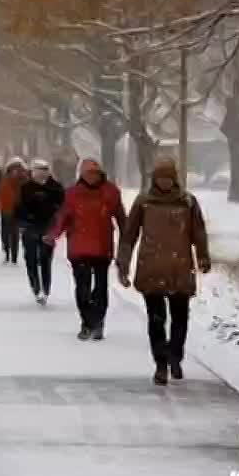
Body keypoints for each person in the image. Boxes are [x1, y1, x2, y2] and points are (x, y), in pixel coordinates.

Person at [118, 156, 212, 386]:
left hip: (179, 266)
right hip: (152, 267)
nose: (165, 183)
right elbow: (129, 235)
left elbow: (198, 232)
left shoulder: (187, 202)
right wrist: (123, 263)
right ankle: (161, 363)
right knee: (156, 319)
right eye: (161, 178)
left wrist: (202, 255)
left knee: (180, 317)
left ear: (175, 179)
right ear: (154, 179)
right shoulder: (144, 202)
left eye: (168, 178)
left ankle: (175, 355)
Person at [45, 158, 126, 341]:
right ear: (81, 175)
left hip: (102, 247)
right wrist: (53, 235)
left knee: (100, 288)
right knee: (82, 288)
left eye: (95, 174)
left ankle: (98, 321)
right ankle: (87, 322)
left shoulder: (110, 192)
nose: (92, 177)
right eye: (88, 174)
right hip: (79, 248)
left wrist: (126, 239)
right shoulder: (73, 194)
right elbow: (63, 217)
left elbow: (121, 217)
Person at [14, 159, 65, 304]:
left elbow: (62, 208)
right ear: (33, 172)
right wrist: (22, 222)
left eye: (44, 171)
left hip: (48, 228)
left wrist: (56, 221)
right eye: (38, 171)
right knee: (30, 258)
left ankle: (46, 289)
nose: (41, 175)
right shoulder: (25, 188)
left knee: (45, 259)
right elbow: (18, 208)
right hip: (30, 227)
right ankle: (36, 288)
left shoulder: (55, 188)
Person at [0, 158, 27, 264]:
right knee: (7, 234)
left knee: (14, 234)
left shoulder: (23, 180)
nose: (15, 171)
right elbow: (0, 194)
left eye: (18, 169)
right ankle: (8, 253)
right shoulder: (5, 180)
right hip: (7, 210)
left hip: (16, 211)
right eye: (14, 169)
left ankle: (13, 256)